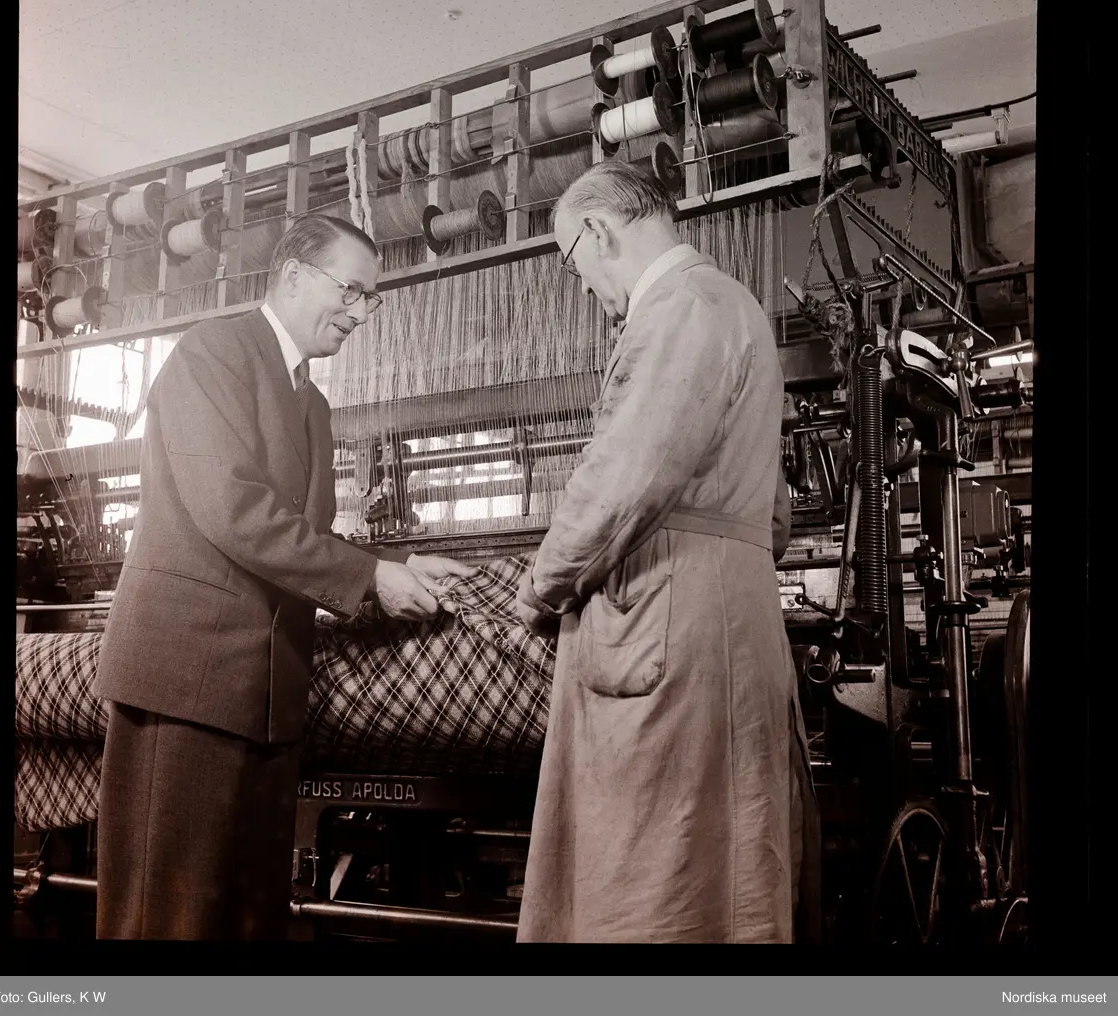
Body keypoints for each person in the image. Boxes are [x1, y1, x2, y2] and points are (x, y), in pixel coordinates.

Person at [93, 214, 474, 939]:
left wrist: (394, 567)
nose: (360, 312)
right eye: (350, 291)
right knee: (167, 919)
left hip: (266, 697)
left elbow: (304, 532)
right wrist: (368, 579)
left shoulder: (312, 403)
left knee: (247, 920)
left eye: (370, 299)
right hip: (186, 680)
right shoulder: (213, 352)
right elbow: (234, 509)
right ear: (294, 275)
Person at [513, 161, 816, 943]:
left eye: (573, 264)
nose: (584, 287)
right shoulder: (734, 306)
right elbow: (774, 517)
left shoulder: (677, 310)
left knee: (652, 877)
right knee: (726, 875)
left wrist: (538, 589)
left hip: (669, 625)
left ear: (598, 231)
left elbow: (621, 482)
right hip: (733, 610)